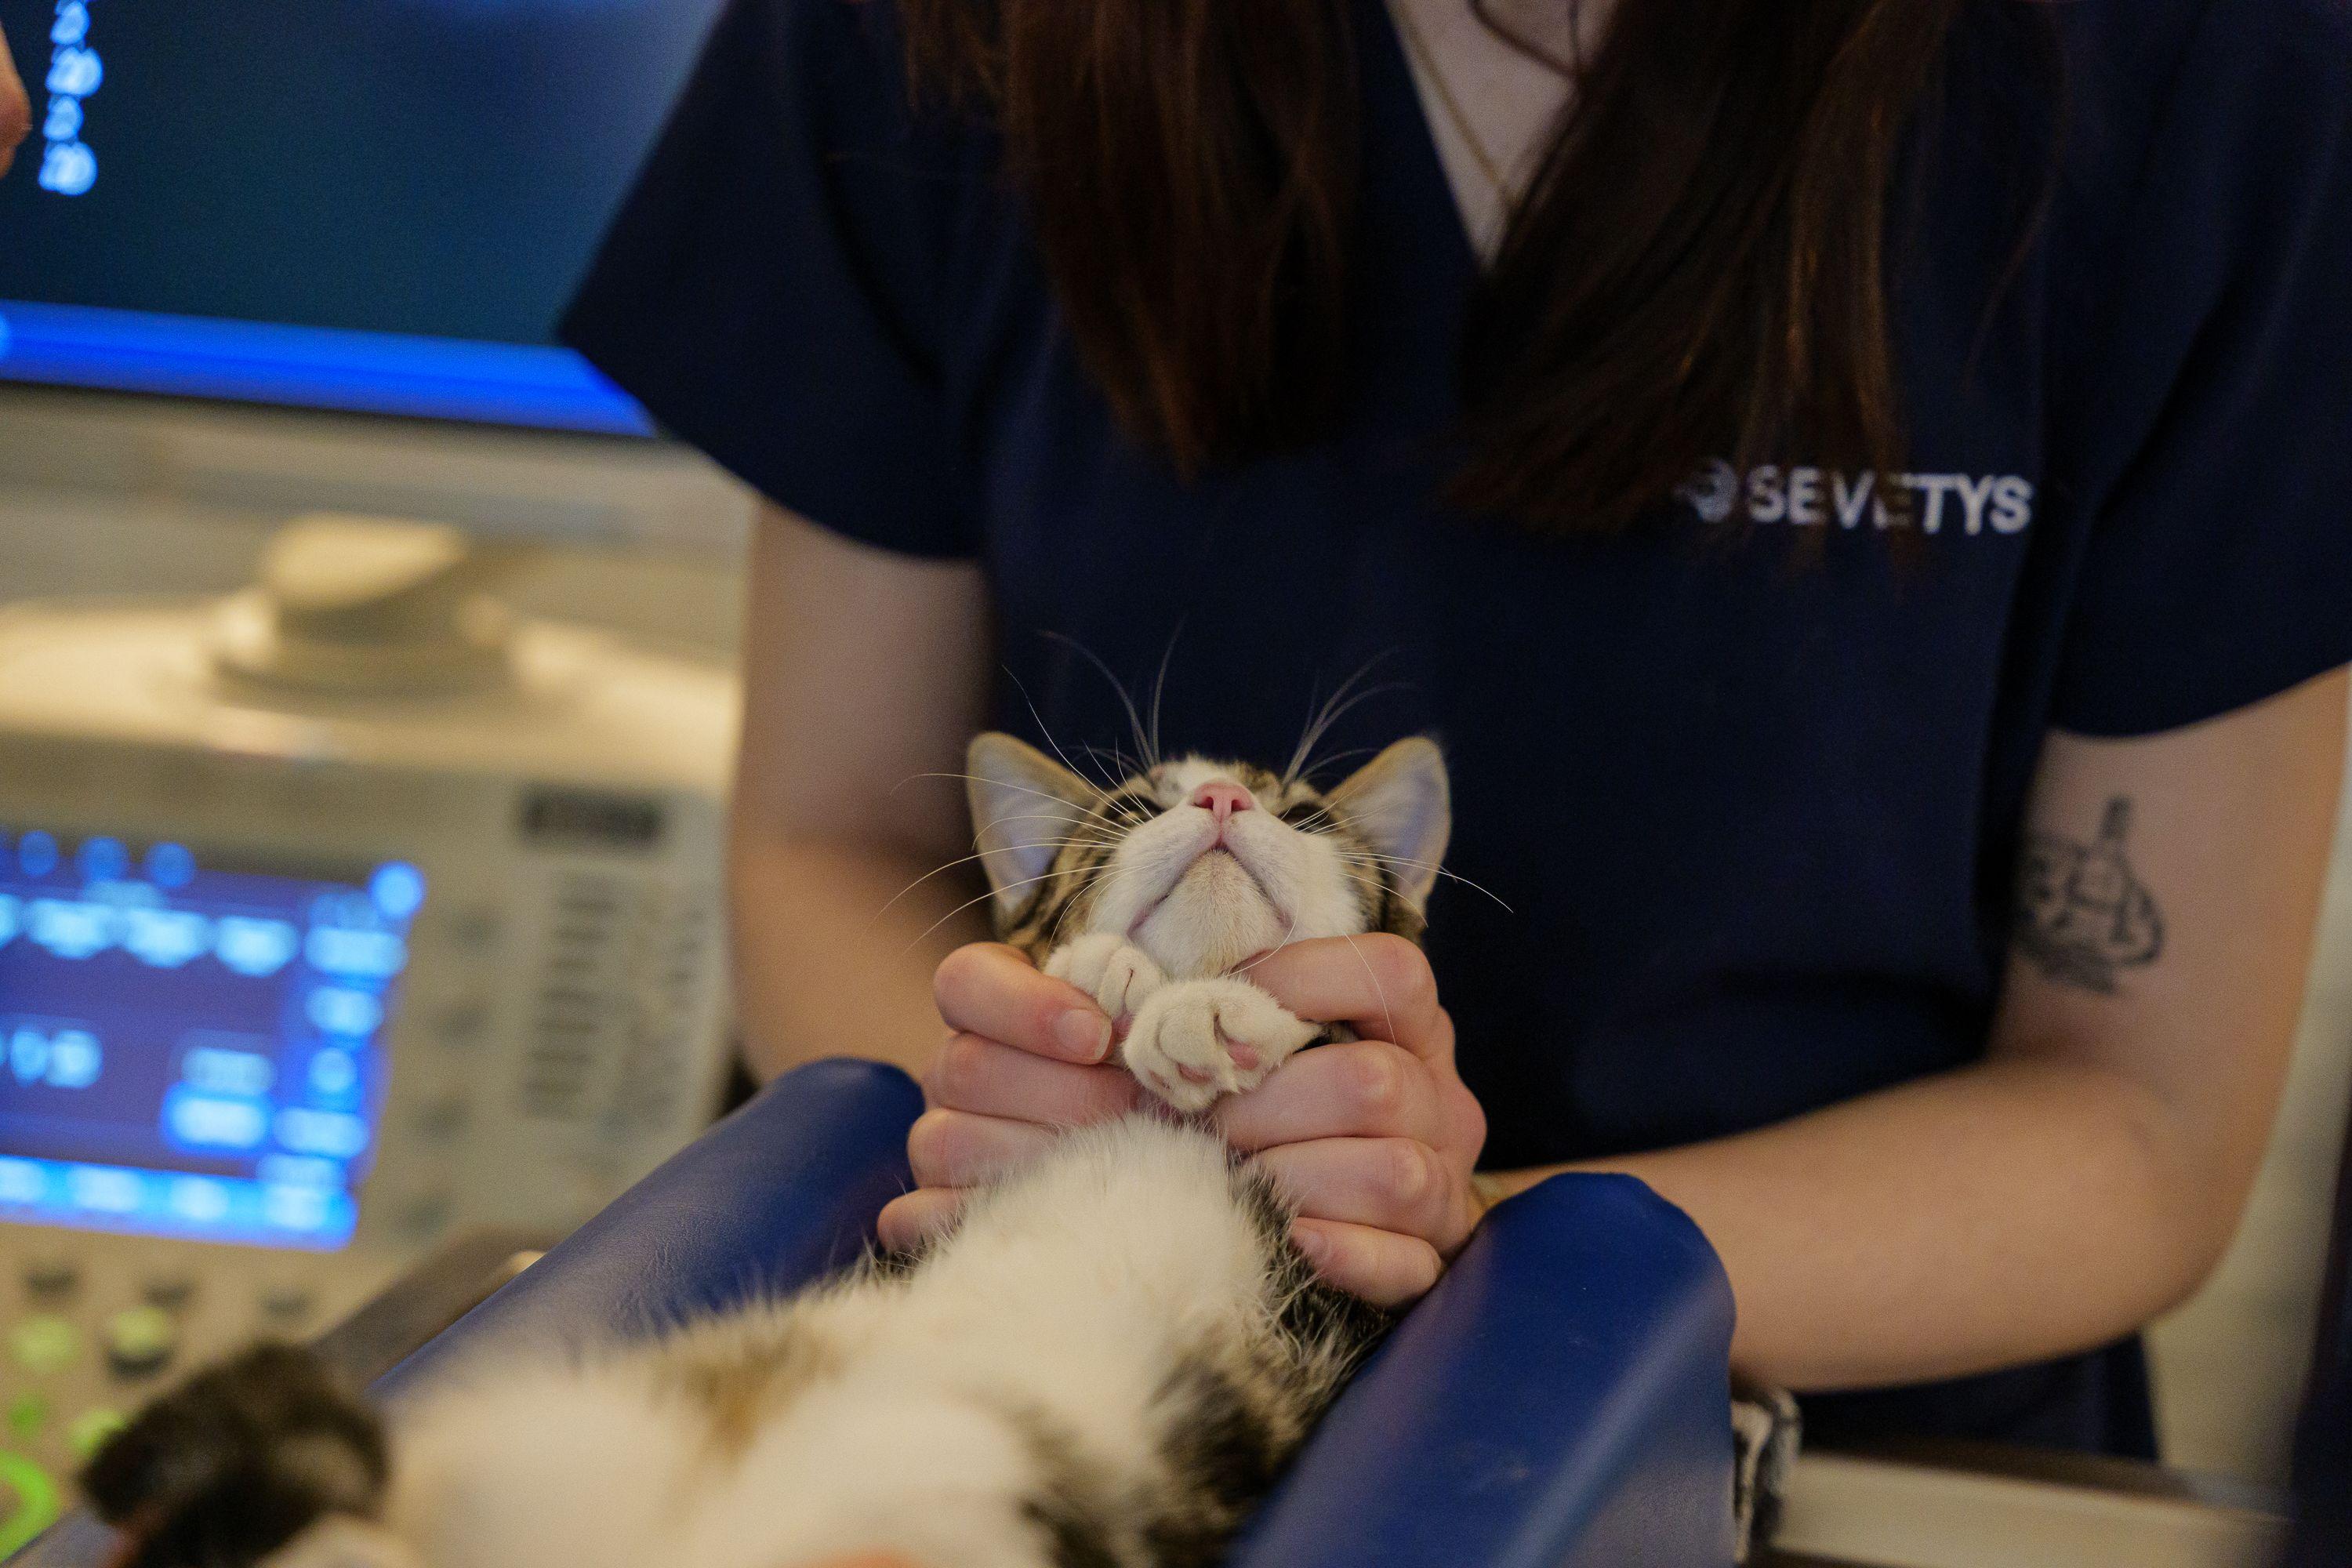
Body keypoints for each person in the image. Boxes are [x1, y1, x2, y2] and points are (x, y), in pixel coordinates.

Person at [557, 0, 2352, 1461]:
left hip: (1863, 1442)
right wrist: (1095, 1176)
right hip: (1093, 1378)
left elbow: (2141, 1118)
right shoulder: (940, 37)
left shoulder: (2204, 76)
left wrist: (1431, 1236)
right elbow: (830, 838)